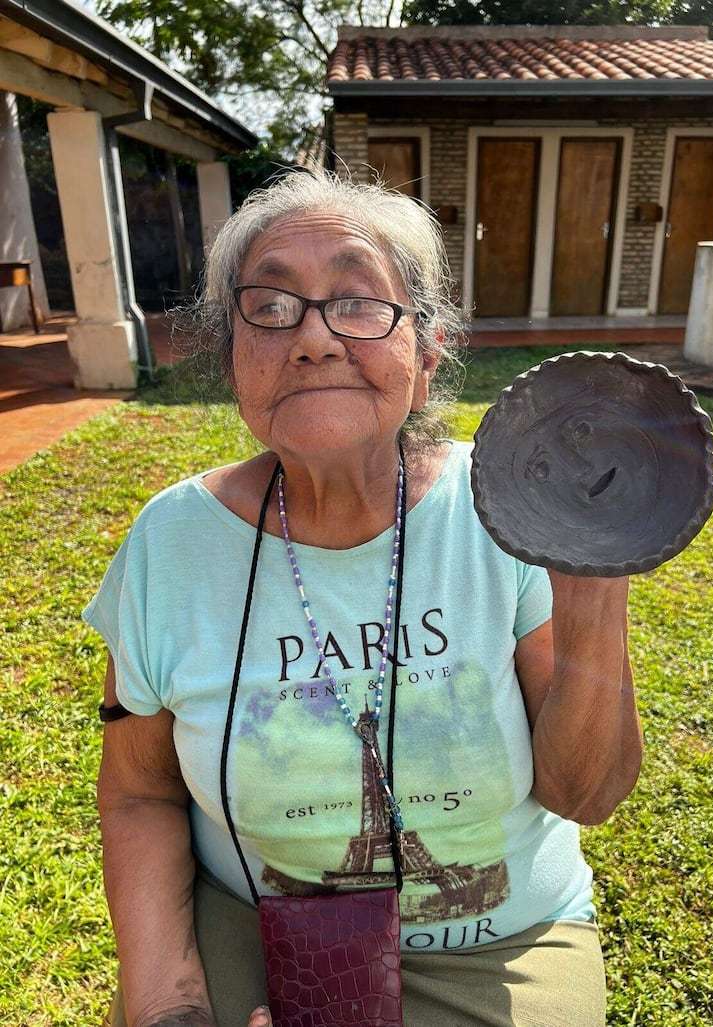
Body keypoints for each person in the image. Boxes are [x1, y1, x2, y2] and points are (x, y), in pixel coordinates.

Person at [84, 167, 643, 1027]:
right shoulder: (171, 544)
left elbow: (588, 795)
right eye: (269, 306)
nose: (312, 339)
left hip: (500, 945)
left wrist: (592, 583)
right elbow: (138, 792)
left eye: (357, 301)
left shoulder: (506, 506)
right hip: (258, 925)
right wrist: (169, 1007)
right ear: (232, 354)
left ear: (427, 350)